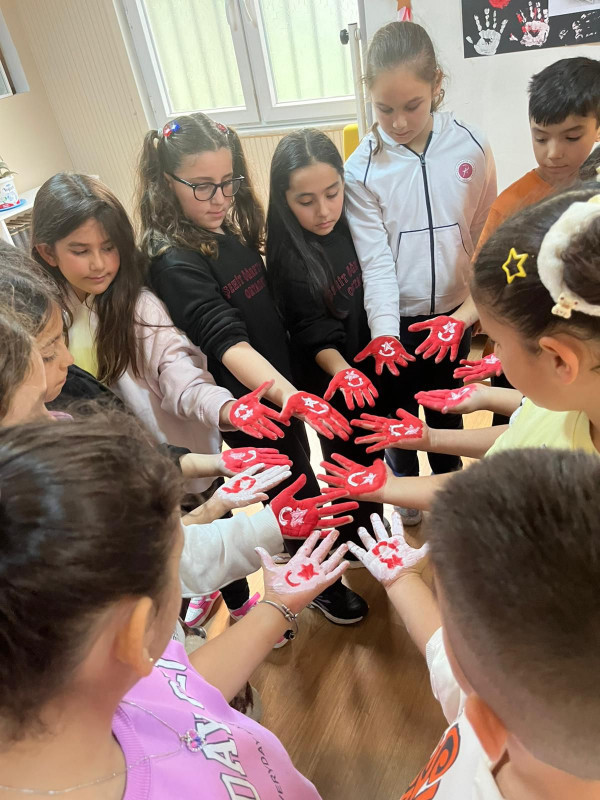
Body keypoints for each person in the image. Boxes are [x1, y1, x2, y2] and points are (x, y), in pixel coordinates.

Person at [0, 411, 350, 798]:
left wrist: (277, 605)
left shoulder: (91, 676)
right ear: (136, 631)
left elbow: (178, 691)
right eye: (177, 562)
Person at [139, 112, 368, 623]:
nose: (220, 198)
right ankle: (313, 585)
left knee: (301, 477)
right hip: (251, 409)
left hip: (276, 391)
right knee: (291, 492)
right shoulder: (173, 259)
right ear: (165, 182)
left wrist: (289, 390)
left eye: (228, 182)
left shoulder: (218, 229)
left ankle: (314, 567)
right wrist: (288, 395)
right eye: (202, 186)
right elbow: (225, 338)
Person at [320, 184, 600, 511]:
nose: (494, 356)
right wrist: (433, 438)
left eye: (497, 342)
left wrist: (390, 486)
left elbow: (496, 486)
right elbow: (524, 437)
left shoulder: (576, 487)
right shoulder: (572, 402)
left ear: (560, 360)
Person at [349, 448, 600, 800]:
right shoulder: (521, 708)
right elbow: (446, 656)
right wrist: (401, 581)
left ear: (484, 722)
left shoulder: (494, 716)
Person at [344, 20, 497, 525]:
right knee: (398, 417)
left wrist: (468, 312)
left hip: (453, 317)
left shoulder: (472, 145)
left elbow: (483, 233)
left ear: (436, 84)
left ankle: (448, 495)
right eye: (384, 109)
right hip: (397, 320)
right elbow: (376, 263)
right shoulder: (361, 170)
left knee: (447, 412)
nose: (399, 122)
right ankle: (407, 495)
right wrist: (387, 336)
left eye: (412, 105)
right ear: (369, 96)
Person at [266, 128, 391, 549]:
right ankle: (356, 542)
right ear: (283, 200)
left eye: (333, 193)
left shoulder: (348, 224)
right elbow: (312, 333)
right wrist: (344, 371)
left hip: (360, 366)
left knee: (370, 453)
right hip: (331, 381)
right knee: (345, 463)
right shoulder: (290, 259)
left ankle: (372, 527)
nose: (324, 211)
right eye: (306, 201)